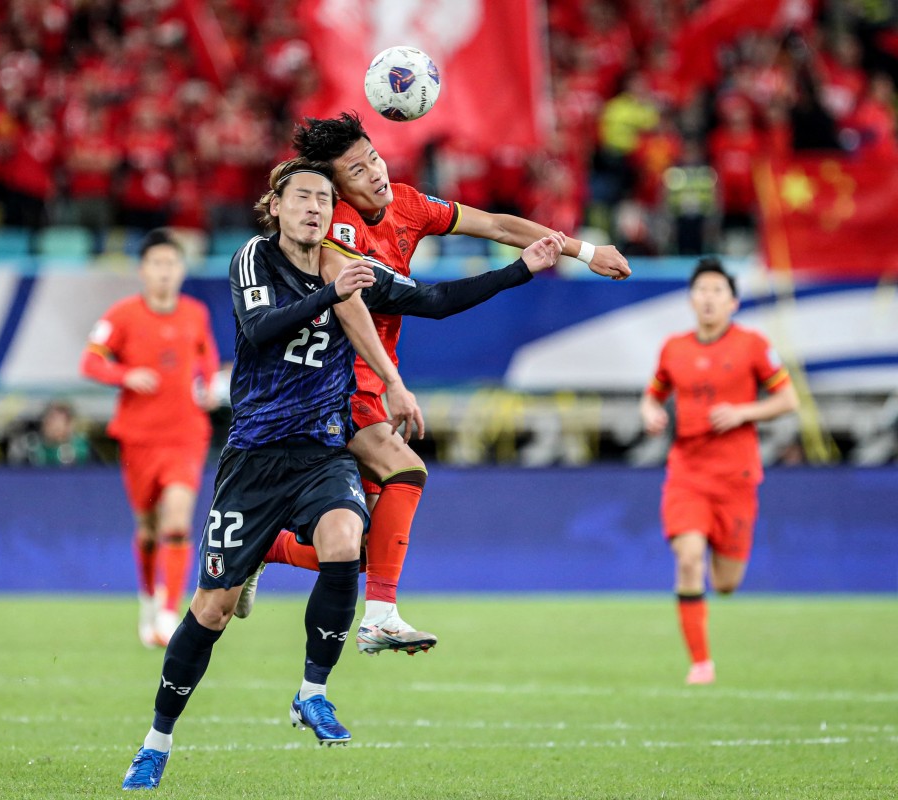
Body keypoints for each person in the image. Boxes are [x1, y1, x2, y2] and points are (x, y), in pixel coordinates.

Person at [120, 158, 565, 790]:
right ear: (275, 207)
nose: (314, 209)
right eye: (301, 198)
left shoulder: (345, 266)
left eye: (325, 201)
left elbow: (434, 300)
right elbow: (260, 328)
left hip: (322, 450)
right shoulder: (255, 258)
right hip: (254, 458)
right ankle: (156, 742)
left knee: (344, 541)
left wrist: (522, 269)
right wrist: (335, 293)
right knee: (212, 610)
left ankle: (312, 690)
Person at [254, 111, 632, 655]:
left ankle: (263, 546)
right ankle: (379, 616)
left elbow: (499, 225)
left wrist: (585, 251)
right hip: (334, 380)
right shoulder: (337, 238)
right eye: (357, 171)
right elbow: (429, 303)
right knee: (405, 468)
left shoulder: (407, 203)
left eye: (374, 158)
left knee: (361, 545)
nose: (375, 174)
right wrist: (520, 271)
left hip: (369, 382)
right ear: (335, 190)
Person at [639, 258, 799, 685]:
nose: (708, 298)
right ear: (691, 299)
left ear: (734, 302)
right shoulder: (674, 348)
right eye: (702, 290)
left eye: (717, 291)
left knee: (726, 582)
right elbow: (652, 394)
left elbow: (788, 400)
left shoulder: (753, 345)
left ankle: (714, 581)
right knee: (688, 560)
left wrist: (744, 411)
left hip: (737, 477)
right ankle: (701, 664)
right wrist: (650, 412)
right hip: (687, 472)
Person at [81, 229, 220, 648]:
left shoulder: (195, 313)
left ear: (181, 269)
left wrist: (209, 384)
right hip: (139, 436)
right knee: (147, 528)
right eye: (156, 264)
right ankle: (147, 597)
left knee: (176, 521)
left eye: (171, 264)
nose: (164, 272)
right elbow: (90, 361)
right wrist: (125, 374)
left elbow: (206, 353)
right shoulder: (122, 315)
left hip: (185, 434)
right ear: (143, 270)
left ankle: (168, 611)